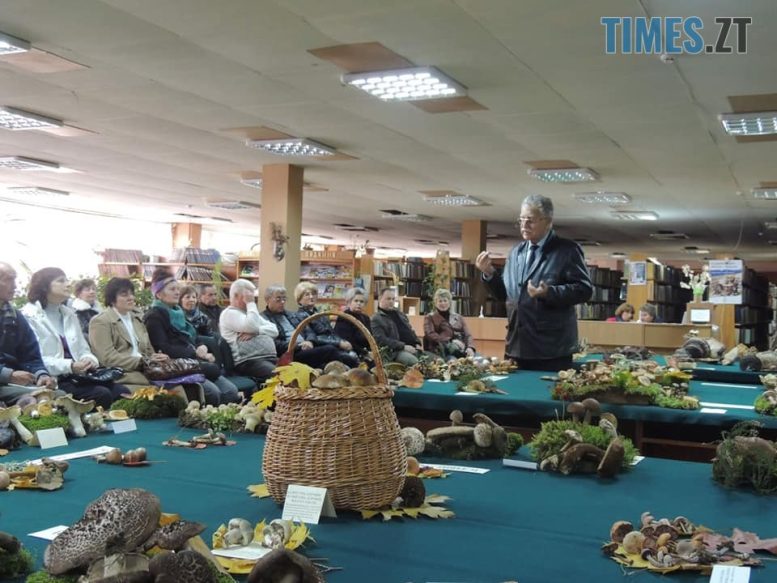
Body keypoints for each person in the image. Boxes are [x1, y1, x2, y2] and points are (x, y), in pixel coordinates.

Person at [475, 194, 593, 371]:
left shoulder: (566, 250)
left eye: (530, 220)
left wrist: (549, 292)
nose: (524, 225)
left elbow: (584, 290)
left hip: (551, 349)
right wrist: (489, 273)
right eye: (521, 220)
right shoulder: (516, 252)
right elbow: (504, 295)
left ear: (548, 221)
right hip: (516, 345)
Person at [21, 267, 127, 409]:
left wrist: (89, 360)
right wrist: (70, 366)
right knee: (102, 395)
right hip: (54, 380)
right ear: (44, 286)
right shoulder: (29, 317)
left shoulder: (69, 314)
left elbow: (83, 349)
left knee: (122, 392)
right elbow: (35, 360)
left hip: (80, 377)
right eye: (61, 281)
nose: (68, 284)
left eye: (67, 280)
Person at [143, 268, 239, 405]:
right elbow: (162, 347)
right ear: (158, 294)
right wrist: (194, 352)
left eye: (177, 288)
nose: (177, 292)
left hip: (191, 361)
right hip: (175, 367)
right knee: (213, 393)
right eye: (172, 289)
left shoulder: (178, 312)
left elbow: (193, 336)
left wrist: (201, 346)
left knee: (231, 391)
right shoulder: (154, 317)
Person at [89, 277, 172, 393]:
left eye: (132, 294)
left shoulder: (137, 319)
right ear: (112, 299)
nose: (131, 298)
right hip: (123, 375)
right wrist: (142, 361)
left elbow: (148, 350)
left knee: (183, 386)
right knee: (165, 394)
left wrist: (157, 358)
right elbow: (107, 358)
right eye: (124, 295)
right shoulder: (101, 322)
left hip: (146, 371)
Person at [0, 262, 58, 406]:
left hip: (14, 384)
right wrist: (7, 375)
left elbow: (30, 354)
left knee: (59, 396)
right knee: (38, 400)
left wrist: (41, 374)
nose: (14, 286)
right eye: (8, 279)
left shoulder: (15, 316)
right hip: (7, 382)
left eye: (15, 279)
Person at [261, 285, 346, 369]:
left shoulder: (292, 314)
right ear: (267, 299)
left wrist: (310, 341)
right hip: (290, 354)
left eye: (284, 298)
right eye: (278, 299)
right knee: (330, 350)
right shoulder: (263, 319)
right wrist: (298, 346)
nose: (282, 302)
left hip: (307, 347)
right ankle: (344, 374)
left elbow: (308, 330)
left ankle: (342, 373)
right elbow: (273, 343)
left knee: (344, 358)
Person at [219, 279, 278, 386]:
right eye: (249, 296)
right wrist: (250, 303)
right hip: (248, 362)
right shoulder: (229, 314)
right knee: (281, 376)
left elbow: (274, 330)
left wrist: (257, 331)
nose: (252, 299)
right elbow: (252, 326)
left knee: (295, 372)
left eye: (252, 297)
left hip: (267, 359)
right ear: (236, 296)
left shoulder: (250, 314)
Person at [293, 282, 359, 367]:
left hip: (332, 345)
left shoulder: (321, 314)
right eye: (307, 295)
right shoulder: (299, 316)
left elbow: (331, 332)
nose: (311, 297)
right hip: (320, 348)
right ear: (299, 299)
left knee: (356, 353)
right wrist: (338, 343)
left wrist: (342, 341)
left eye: (313, 294)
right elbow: (311, 337)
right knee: (350, 359)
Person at [371, 288, 425, 366]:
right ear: (380, 299)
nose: (391, 301)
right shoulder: (376, 318)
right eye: (388, 299)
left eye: (393, 299)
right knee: (417, 363)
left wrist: (417, 342)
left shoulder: (400, 314)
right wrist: (403, 346)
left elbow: (410, 330)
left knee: (435, 360)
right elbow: (381, 340)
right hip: (394, 352)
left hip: (413, 347)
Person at [424, 288, 476, 359]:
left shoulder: (458, 317)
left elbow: (468, 335)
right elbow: (430, 334)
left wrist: (470, 347)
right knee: (453, 360)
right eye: (440, 301)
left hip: (462, 349)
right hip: (441, 351)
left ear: (449, 302)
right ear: (435, 303)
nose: (443, 303)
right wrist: (450, 341)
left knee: (479, 360)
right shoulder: (430, 317)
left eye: (445, 300)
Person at [334, 287, 373, 360]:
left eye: (361, 301)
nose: (359, 303)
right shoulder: (344, 317)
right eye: (356, 301)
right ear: (349, 302)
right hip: (350, 352)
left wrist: (371, 351)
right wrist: (365, 353)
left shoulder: (365, 318)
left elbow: (370, 338)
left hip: (365, 352)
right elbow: (347, 341)